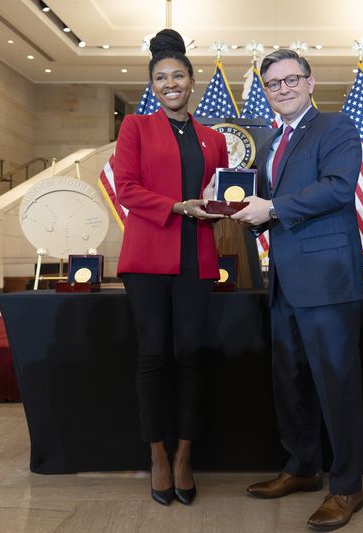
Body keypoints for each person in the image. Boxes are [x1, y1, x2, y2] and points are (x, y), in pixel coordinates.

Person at [231, 49, 363, 531]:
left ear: (311, 83)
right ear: (265, 91)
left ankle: (347, 487)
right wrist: (237, 212)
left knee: (336, 385)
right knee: (291, 382)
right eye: (273, 83)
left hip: (328, 280)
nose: (283, 88)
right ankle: (303, 467)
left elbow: (337, 187)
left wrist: (271, 208)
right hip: (284, 281)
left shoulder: (336, 128)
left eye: (292, 79)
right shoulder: (270, 143)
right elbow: (268, 206)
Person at [112, 28, 227, 507]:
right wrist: (179, 207)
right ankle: (157, 454)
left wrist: (231, 206)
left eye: (178, 75)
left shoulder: (214, 139)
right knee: (153, 356)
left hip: (196, 260)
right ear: (153, 86)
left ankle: (185, 454)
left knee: (192, 356)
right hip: (147, 259)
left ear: (191, 80)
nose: (170, 83)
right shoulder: (135, 128)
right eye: (161, 78)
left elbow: (223, 196)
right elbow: (127, 188)